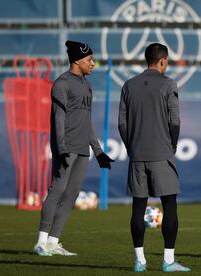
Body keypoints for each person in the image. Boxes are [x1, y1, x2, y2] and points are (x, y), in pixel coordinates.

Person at [33, 40, 114, 256]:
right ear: (77, 60)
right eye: (89, 60)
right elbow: (58, 120)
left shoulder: (87, 85)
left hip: (82, 149)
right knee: (57, 190)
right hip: (66, 148)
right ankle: (41, 242)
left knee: (71, 195)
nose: (93, 64)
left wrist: (98, 152)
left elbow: (86, 122)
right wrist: (61, 148)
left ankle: (53, 242)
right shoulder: (61, 84)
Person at [118, 43, 190, 272]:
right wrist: (173, 145)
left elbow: (122, 123)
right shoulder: (169, 84)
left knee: (138, 208)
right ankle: (168, 261)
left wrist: (131, 147)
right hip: (162, 154)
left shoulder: (128, 85)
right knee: (170, 205)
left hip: (137, 154)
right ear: (162, 61)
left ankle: (139, 260)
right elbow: (175, 121)